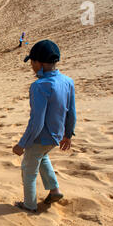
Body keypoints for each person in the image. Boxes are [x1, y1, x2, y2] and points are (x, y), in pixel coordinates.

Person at [12, 40, 76, 212]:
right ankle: (55, 190)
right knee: (42, 158)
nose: (31, 66)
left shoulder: (39, 86)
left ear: (39, 63)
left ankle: (29, 204)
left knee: (28, 170)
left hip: (39, 138)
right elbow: (72, 112)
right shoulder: (67, 81)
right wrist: (68, 135)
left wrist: (22, 144)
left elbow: (37, 121)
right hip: (56, 136)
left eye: (32, 62)